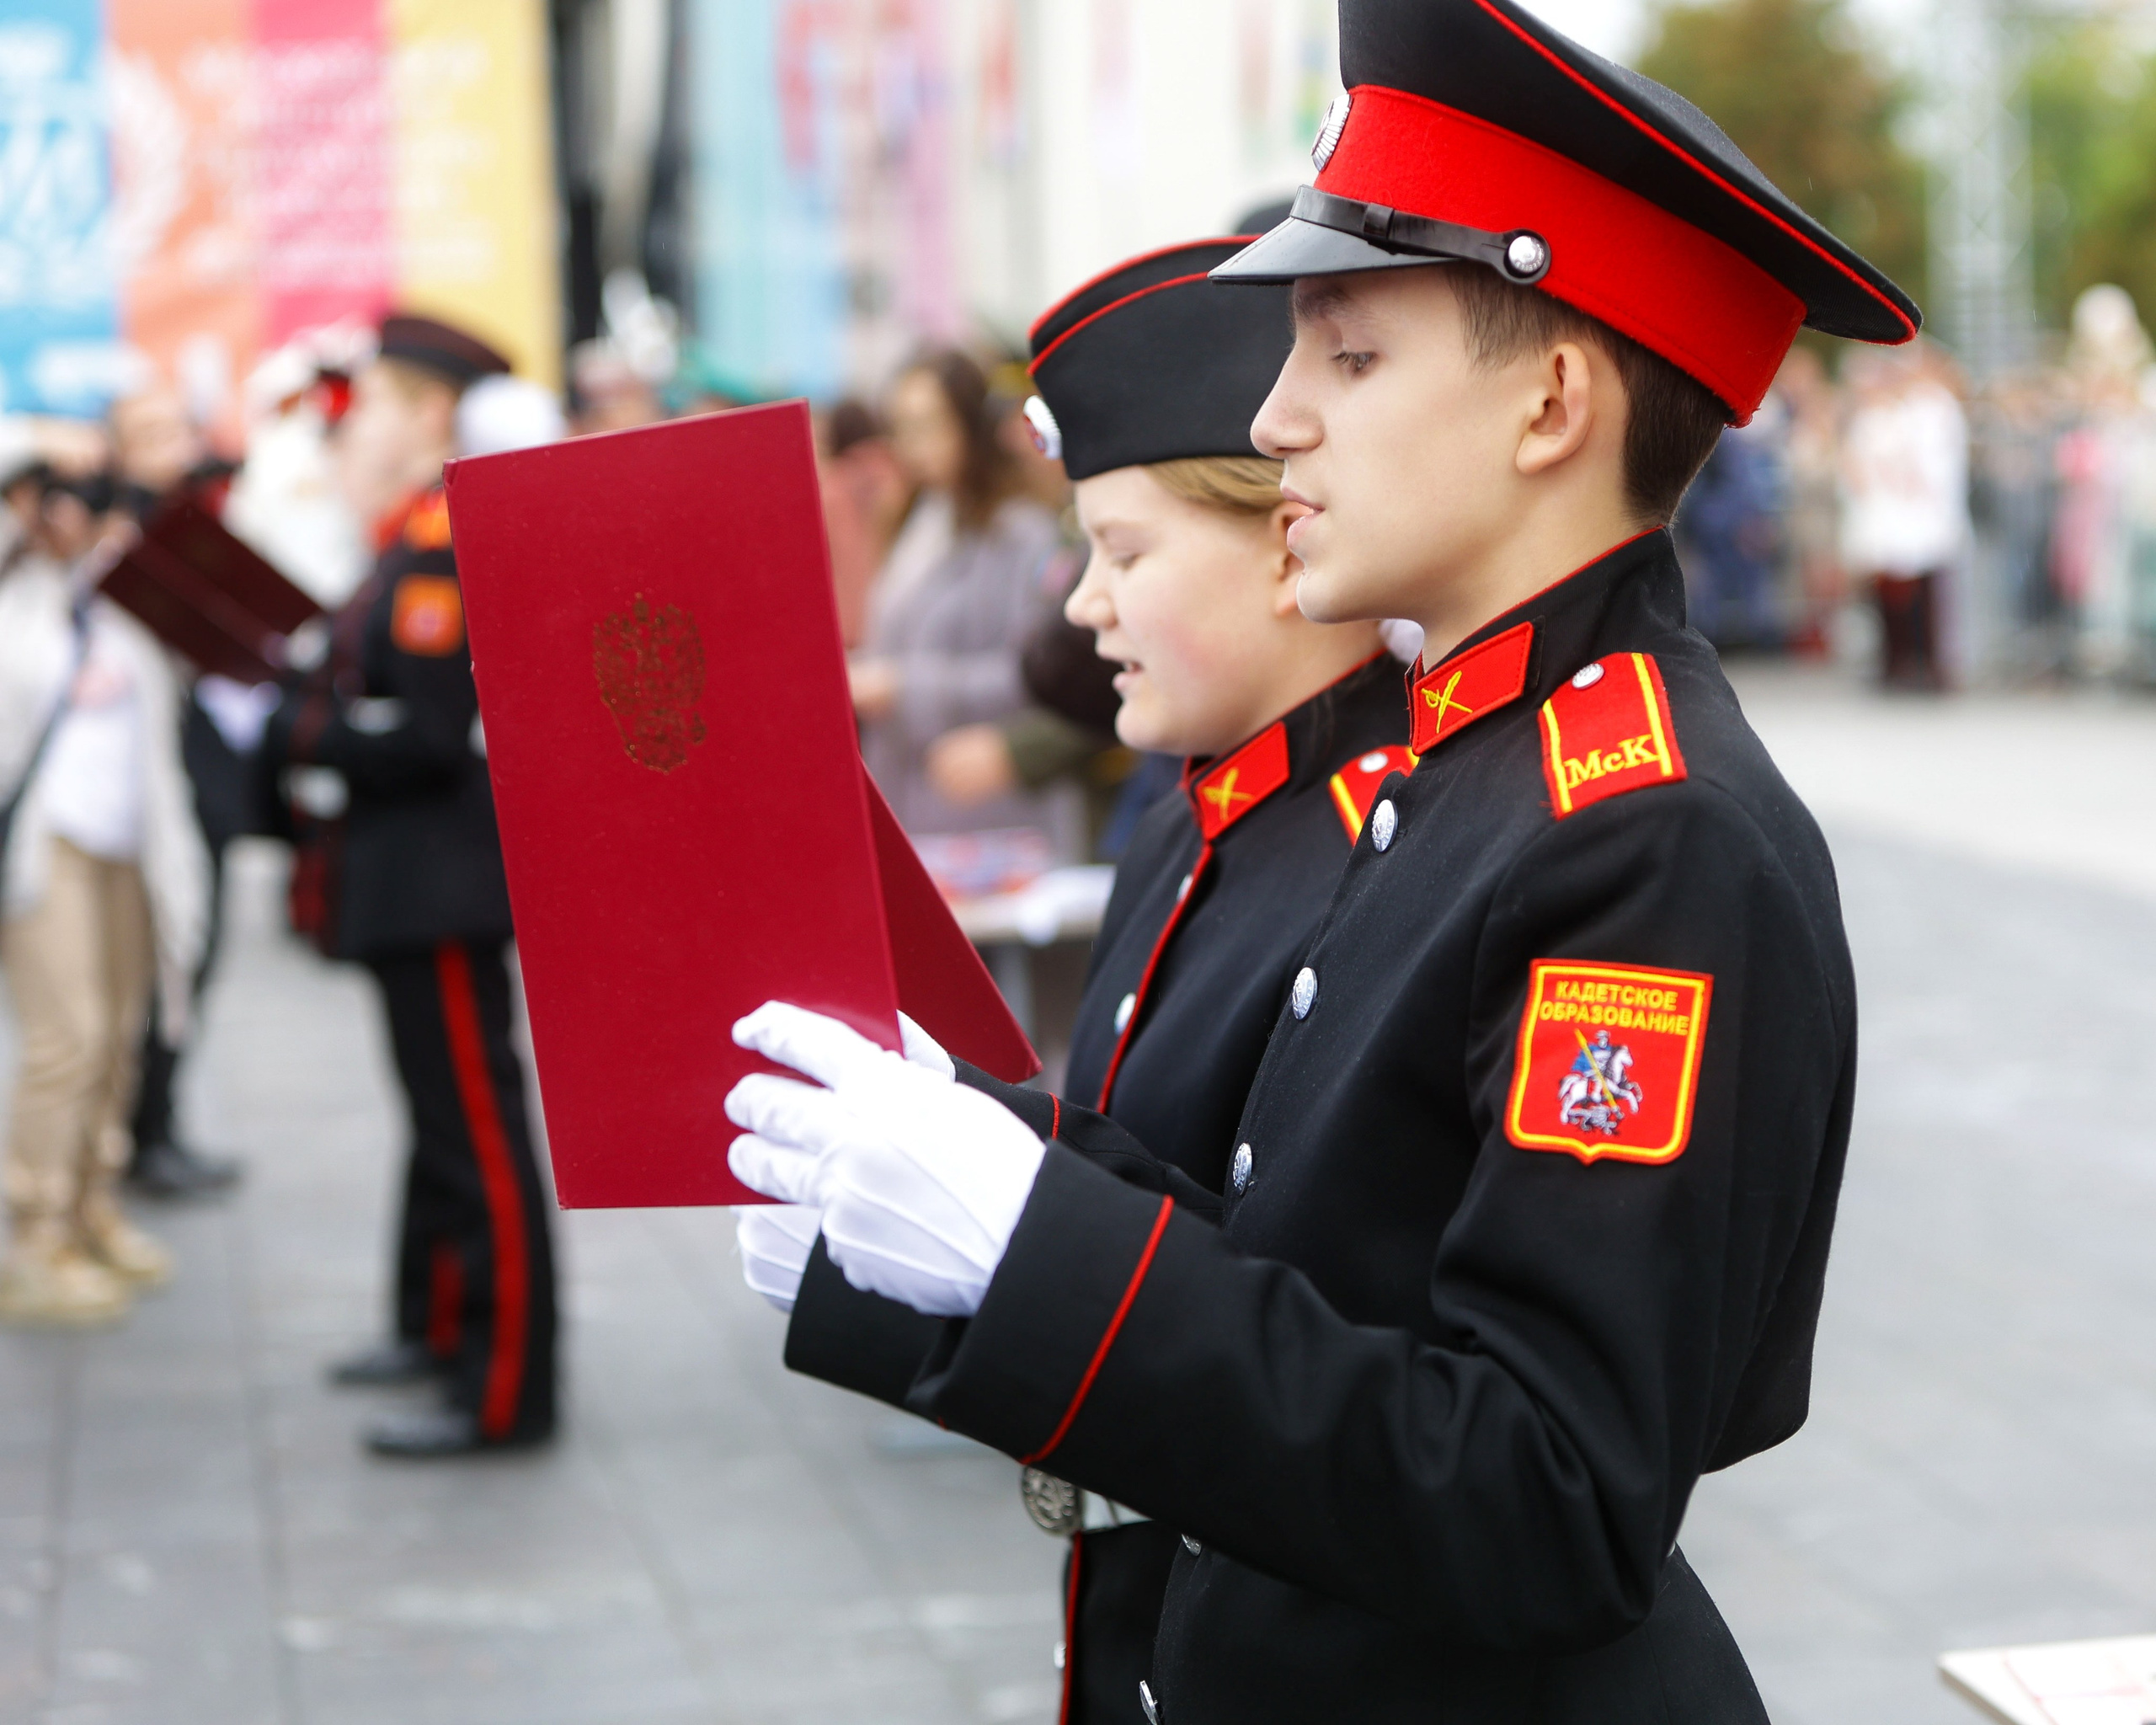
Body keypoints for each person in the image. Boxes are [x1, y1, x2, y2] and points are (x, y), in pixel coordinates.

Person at [723, 0, 1920, 1717]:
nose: (1275, 416)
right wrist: (975, 1174)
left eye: (1347, 355)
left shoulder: (1643, 835)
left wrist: (1029, 1253)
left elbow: (1541, 1492)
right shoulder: (1455, 759)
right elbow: (1312, 1252)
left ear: (1550, 405)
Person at [746, 238, 1411, 1725]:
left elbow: (1322, 1343)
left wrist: (1002, 1230)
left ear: (1290, 539)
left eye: (1122, 553)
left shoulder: (1399, 846)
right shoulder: (1192, 810)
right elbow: (1150, 1213)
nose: (1085, 612)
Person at [261, 315, 557, 1457]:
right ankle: (439, 1330)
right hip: (405, 882)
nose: (360, 420)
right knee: (442, 1126)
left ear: (429, 411)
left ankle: (504, 1389)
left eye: (377, 398)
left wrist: (309, 727)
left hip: (437, 882)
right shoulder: (404, 534)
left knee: (475, 1133)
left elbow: (423, 732)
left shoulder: (439, 542)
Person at [0, 457, 209, 1323]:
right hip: (48, 848)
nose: (89, 520)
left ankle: (91, 1203)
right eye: (72, 504)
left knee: (121, 1032)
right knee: (67, 1037)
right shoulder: (20, 603)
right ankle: (30, 1236)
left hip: (131, 847)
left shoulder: (127, 608)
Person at [106, 385, 252, 1199]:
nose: (166, 444)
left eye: (172, 427)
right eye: (145, 430)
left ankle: (159, 1123)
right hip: (143, 773)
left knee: (199, 952)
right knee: (155, 960)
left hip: (208, 760)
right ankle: (139, 1131)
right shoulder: (106, 528)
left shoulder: (204, 514)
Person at [851, 349, 1075, 855]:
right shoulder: (913, 521)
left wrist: (902, 687)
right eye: (904, 428)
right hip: (912, 795)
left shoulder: (1019, 533)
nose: (917, 446)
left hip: (989, 805)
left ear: (968, 424)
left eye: (931, 424)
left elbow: (1033, 671)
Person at [1840, 341, 1969, 689]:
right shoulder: (1896, 412)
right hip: (1899, 516)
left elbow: (1929, 466)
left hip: (1924, 514)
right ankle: (1900, 662)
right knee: (1895, 589)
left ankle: (1929, 663)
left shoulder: (1934, 407)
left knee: (1926, 591)